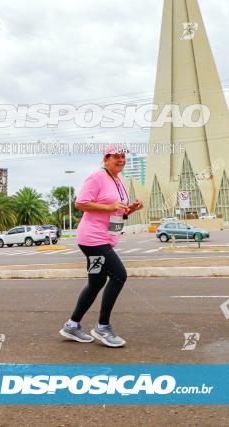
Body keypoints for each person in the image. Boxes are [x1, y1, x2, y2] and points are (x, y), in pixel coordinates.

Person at [59, 144, 143, 347]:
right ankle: (102, 327)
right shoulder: (97, 177)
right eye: (116, 157)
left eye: (123, 157)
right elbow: (80, 203)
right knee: (119, 275)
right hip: (93, 240)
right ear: (106, 158)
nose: (121, 160)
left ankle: (72, 325)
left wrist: (128, 210)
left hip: (105, 239)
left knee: (96, 283)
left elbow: (116, 212)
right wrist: (109, 206)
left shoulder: (118, 180)